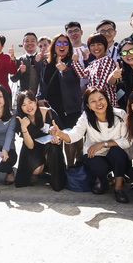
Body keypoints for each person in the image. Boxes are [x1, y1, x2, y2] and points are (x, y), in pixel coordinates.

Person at [50, 87, 132, 203]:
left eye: (101, 99)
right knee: (93, 160)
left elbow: (127, 141)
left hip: (116, 152)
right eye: (92, 101)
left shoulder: (120, 114)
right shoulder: (86, 117)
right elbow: (74, 135)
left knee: (117, 152)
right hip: (96, 154)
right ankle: (103, 180)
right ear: (88, 105)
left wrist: (103, 144)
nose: (98, 103)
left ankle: (118, 187)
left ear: (107, 100)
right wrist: (59, 133)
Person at [39, 34, 84, 166]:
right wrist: (39, 98)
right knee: (54, 137)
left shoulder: (73, 62)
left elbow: (74, 81)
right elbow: (42, 83)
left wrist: (65, 70)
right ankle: (56, 168)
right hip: (53, 108)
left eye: (65, 43)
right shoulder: (46, 63)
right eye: (59, 43)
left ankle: (71, 167)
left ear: (69, 47)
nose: (62, 45)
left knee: (71, 137)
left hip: (70, 107)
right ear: (54, 46)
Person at [15, 90, 64, 190]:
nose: (28, 107)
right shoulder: (21, 119)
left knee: (53, 148)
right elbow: (30, 146)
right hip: (32, 149)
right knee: (35, 170)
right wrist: (24, 128)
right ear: (20, 107)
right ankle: (39, 171)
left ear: (36, 101)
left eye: (30, 102)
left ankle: (55, 179)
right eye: (24, 105)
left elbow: (63, 133)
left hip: (49, 146)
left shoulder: (49, 113)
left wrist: (58, 138)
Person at [73, 34, 118, 107]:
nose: (96, 48)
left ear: (105, 45)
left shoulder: (107, 60)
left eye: (99, 44)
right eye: (92, 45)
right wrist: (75, 61)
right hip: (95, 103)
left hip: (106, 103)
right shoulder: (93, 62)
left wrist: (90, 99)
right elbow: (82, 75)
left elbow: (101, 85)